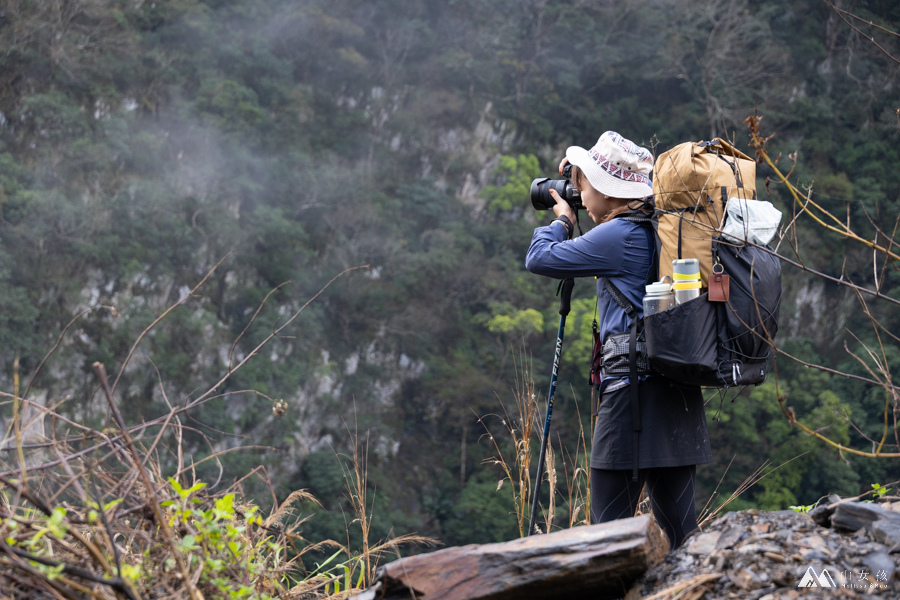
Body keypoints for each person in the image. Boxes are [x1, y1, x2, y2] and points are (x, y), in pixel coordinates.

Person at [524, 131, 712, 549]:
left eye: (585, 186)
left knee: (605, 540)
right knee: (684, 539)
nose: (580, 194)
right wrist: (579, 178)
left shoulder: (619, 235)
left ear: (611, 192)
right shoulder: (659, 227)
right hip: (678, 396)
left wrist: (561, 221)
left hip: (632, 403)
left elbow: (538, 258)